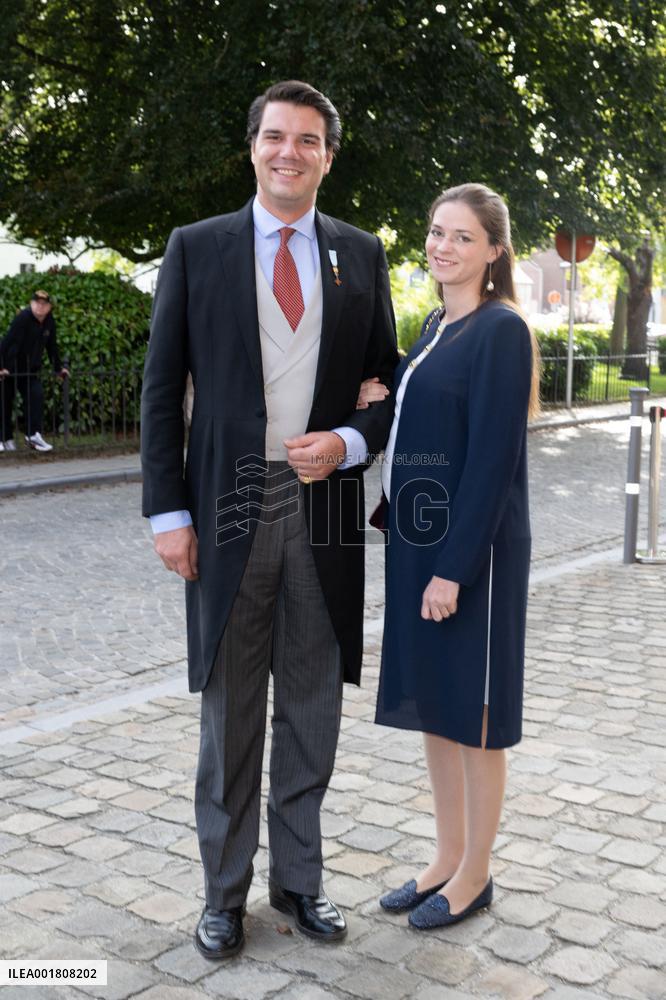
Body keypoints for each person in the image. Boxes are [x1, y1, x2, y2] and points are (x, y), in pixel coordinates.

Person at [141, 80, 398, 960]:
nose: (290, 152)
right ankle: (223, 894)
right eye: (276, 136)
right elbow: (160, 391)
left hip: (322, 509)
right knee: (231, 709)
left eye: (308, 140)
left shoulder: (361, 254)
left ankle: (299, 879)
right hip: (227, 503)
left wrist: (350, 441)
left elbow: (386, 383)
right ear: (253, 147)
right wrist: (167, 512)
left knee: (313, 702)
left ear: (328, 156)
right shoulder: (196, 247)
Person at [373, 183, 540, 930]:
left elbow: (494, 461)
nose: (443, 246)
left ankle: (475, 874)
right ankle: (444, 857)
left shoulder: (501, 330)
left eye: (463, 236)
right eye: (437, 232)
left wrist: (453, 569)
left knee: (476, 713)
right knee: (437, 707)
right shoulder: (436, 324)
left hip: (474, 554)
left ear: (494, 251)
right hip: (420, 541)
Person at [0, 289, 69, 452]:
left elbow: (52, 347)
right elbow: (6, 343)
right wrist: (1, 367)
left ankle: (33, 436)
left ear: (49, 307)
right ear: (31, 304)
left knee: (36, 395)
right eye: (37, 303)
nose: (40, 307)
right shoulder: (23, 318)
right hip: (9, 368)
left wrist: (59, 369)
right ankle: (4, 438)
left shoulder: (49, 322)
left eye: (44, 304)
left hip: (30, 370)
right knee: (4, 403)